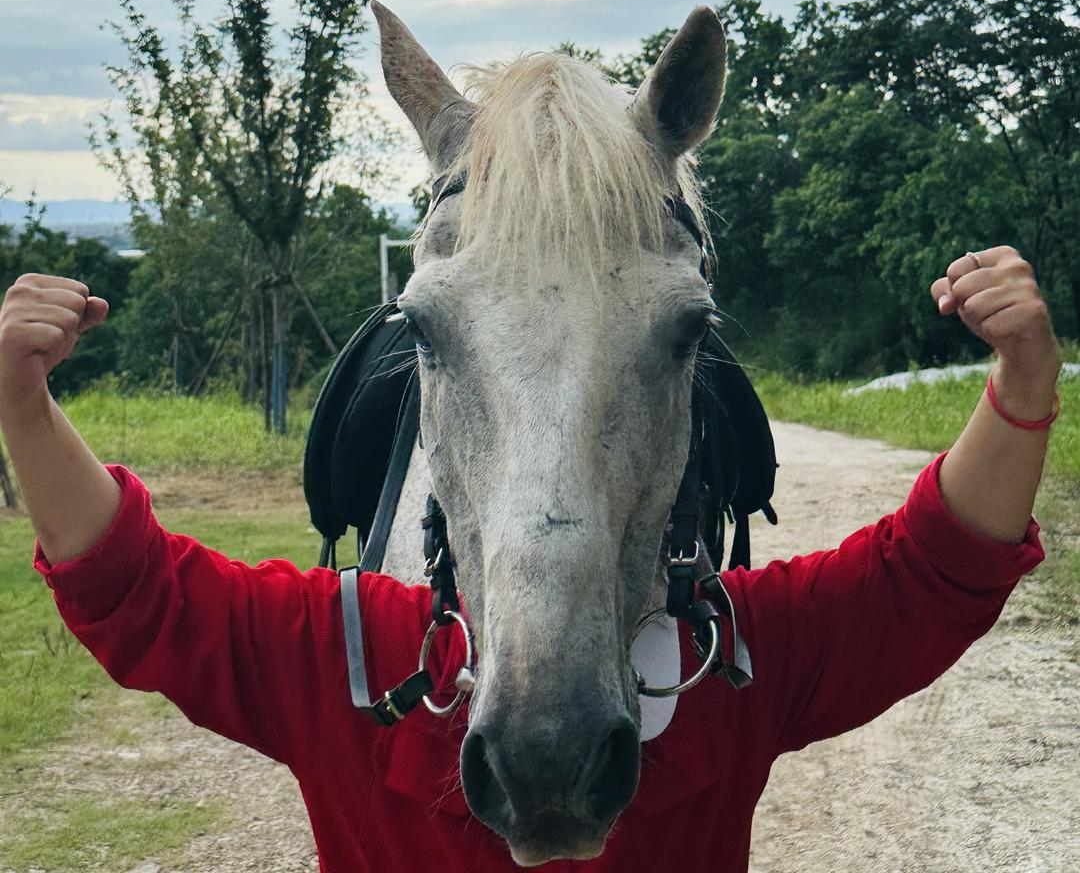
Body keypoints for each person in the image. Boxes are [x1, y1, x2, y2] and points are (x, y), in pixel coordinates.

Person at [0, 246, 1060, 873]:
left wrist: (1022, 384)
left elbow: (933, 570)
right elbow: (131, 585)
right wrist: (22, 402)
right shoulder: (351, 658)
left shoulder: (356, 666)